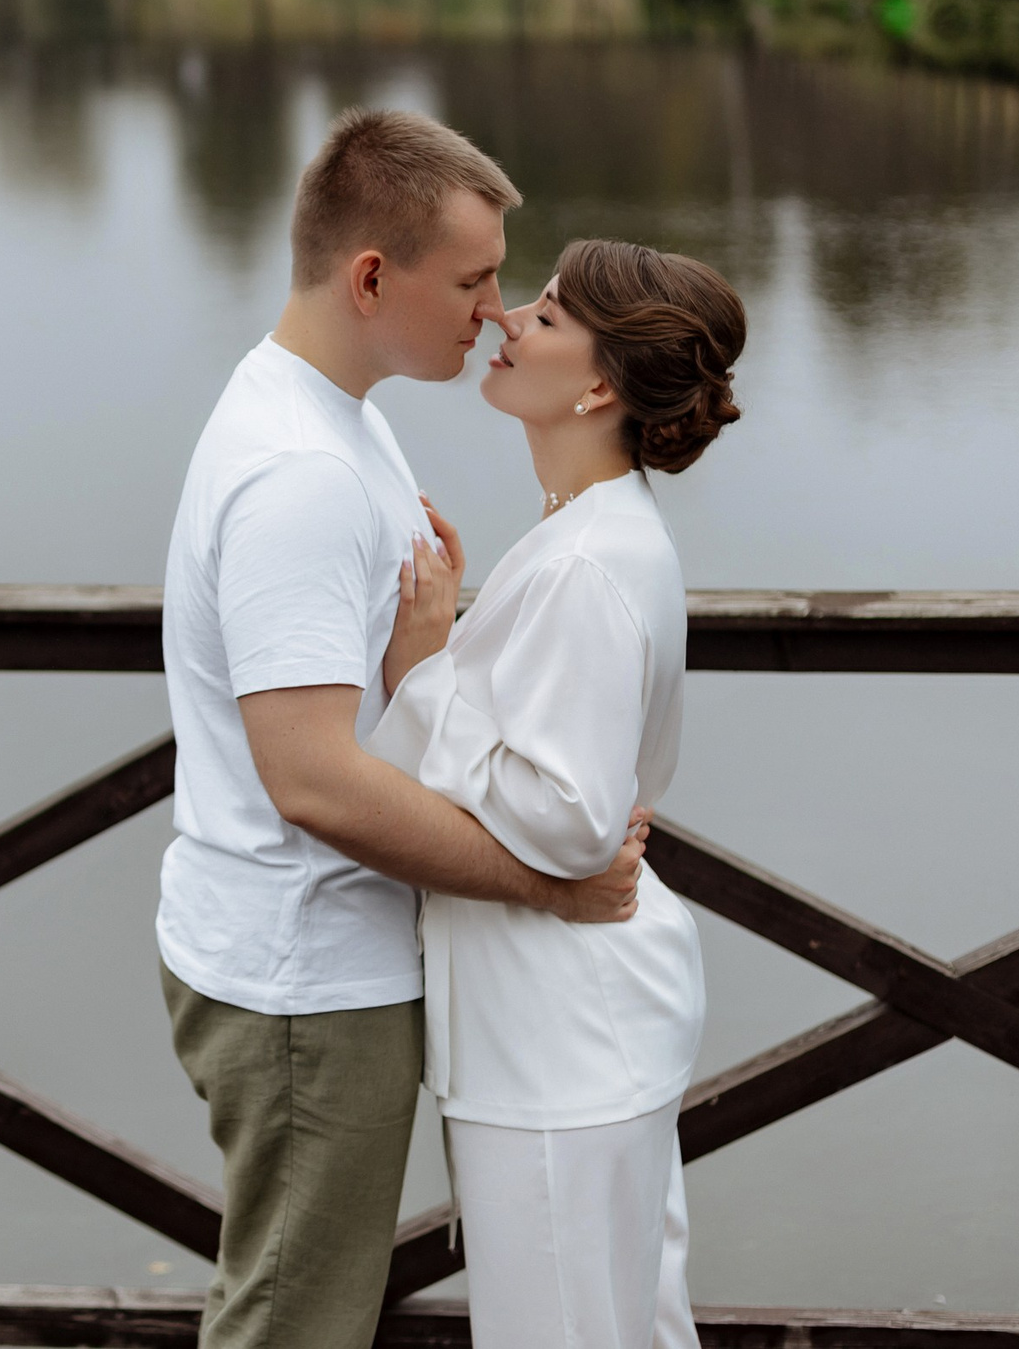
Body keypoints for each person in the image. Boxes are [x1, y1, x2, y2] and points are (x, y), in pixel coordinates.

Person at [158, 110, 650, 1349]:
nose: (494, 312)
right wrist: (551, 885)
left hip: (308, 964)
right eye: (474, 281)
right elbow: (312, 781)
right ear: (372, 276)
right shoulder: (301, 475)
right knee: (291, 1328)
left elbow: (353, 702)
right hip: (301, 980)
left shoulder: (338, 416)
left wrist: (431, 659)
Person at [370, 238, 747, 1349]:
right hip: (573, 1023)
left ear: (596, 385)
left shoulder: (588, 561)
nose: (504, 320)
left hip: (556, 1037)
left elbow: (572, 821)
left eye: (543, 314)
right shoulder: (586, 534)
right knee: (626, 1323)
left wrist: (422, 668)